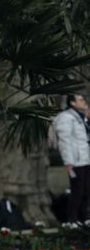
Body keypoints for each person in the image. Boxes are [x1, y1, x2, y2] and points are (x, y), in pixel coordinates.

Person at [53, 94, 90, 225]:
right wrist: (68, 162)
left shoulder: (81, 117)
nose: (84, 101)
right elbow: (64, 141)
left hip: (85, 160)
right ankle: (72, 219)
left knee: (86, 190)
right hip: (76, 161)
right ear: (72, 103)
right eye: (80, 99)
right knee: (77, 191)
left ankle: (84, 218)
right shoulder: (66, 118)